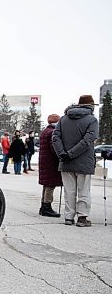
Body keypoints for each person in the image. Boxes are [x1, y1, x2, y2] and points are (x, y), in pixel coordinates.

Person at [52, 95, 98, 227]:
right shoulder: (92, 120)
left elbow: (55, 138)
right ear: (91, 106)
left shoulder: (63, 119)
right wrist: (72, 154)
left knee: (69, 190)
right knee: (83, 190)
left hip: (65, 161)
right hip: (84, 161)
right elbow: (88, 140)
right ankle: (82, 218)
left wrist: (63, 154)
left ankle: (68, 217)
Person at [38, 115, 62, 217]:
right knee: (50, 185)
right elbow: (54, 148)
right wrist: (60, 157)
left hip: (45, 161)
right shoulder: (52, 132)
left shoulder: (45, 131)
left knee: (46, 184)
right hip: (51, 162)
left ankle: (43, 206)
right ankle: (47, 206)